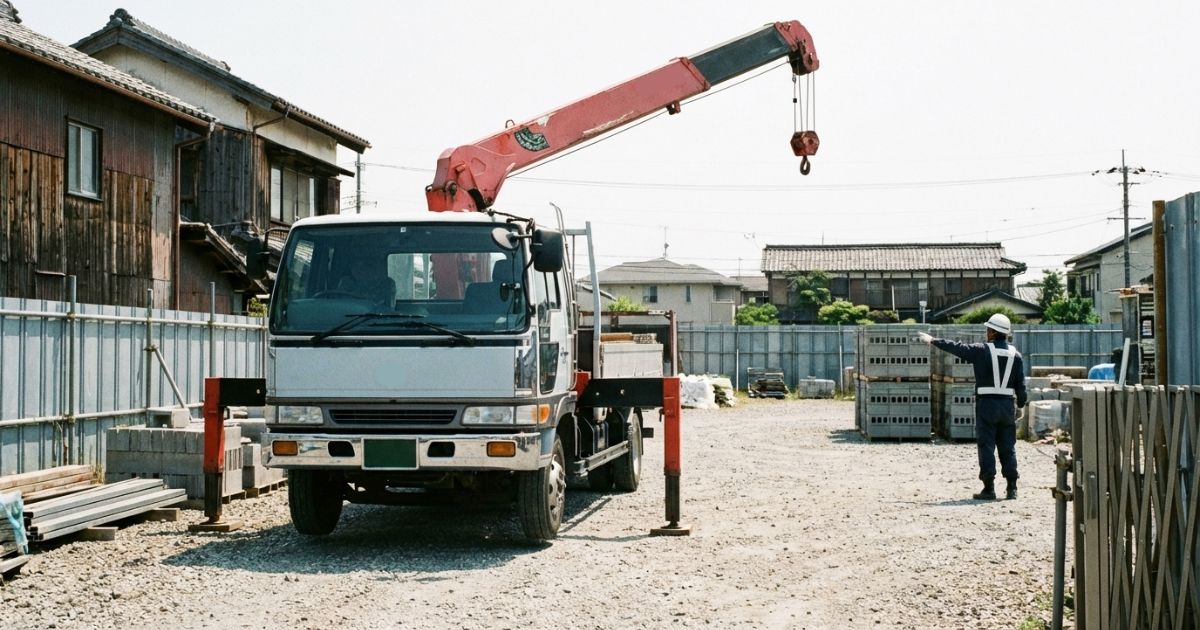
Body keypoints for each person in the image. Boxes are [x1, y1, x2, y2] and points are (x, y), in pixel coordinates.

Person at [919, 313, 1028, 500]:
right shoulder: (1015, 355)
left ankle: (989, 488)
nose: (986, 333)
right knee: (1008, 447)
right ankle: (1012, 487)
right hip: (1007, 407)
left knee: (986, 445)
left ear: (993, 332)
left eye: (988, 330)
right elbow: (1021, 386)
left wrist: (933, 341)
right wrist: (1020, 404)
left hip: (987, 405)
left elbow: (958, 348)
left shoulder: (982, 350)